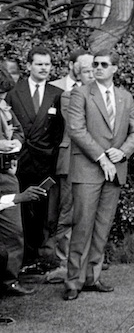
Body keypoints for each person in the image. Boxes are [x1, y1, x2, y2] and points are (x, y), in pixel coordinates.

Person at [63, 51, 134, 300]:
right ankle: (73, 282)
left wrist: (123, 151)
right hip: (88, 169)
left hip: (115, 170)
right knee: (82, 226)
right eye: (95, 64)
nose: (97, 68)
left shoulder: (125, 97)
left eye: (103, 65)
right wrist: (102, 157)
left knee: (102, 228)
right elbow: (76, 130)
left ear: (115, 69)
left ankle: (91, 278)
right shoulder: (81, 93)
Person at [6, 45, 64, 274]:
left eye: (47, 64)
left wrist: (53, 157)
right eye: (39, 64)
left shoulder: (56, 93)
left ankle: (35, 259)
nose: (44, 68)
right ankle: (18, 261)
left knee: (40, 213)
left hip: (44, 163)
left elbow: (59, 132)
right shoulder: (14, 91)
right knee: (17, 210)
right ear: (29, 65)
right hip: (18, 163)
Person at [45, 50, 94, 282]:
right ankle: (64, 261)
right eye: (86, 70)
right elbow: (79, 128)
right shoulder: (69, 96)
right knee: (67, 212)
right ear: (77, 71)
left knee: (87, 212)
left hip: (93, 160)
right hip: (71, 159)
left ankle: (84, 261)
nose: (92, 74)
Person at [0, 68, 38, 297]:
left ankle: (9, 280)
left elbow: (20, 134)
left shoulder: (5, 109)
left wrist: (15, 144)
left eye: (4, 94)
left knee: (13, 232)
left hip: (6, 177)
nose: (2, 99)